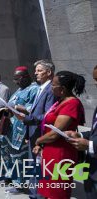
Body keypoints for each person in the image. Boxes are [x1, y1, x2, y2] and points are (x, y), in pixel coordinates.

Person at [33, 71, 86, 199]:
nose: (51, 87)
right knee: (48, 192)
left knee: (57, 193)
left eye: (53, 85)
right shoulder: (60, 101)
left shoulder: (72, 104)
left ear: (62, 89)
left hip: (61, 155)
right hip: (51, 152)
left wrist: (38, 141)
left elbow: (55, 134)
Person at [15, 60, 56, 198]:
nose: (36, 73)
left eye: (39, 70)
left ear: (49, 72)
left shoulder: (51, 89)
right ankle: (34, 194)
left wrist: (25, 118)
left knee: (39, 168)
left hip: (41, 136)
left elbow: (47, 116)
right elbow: (34, 111)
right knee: (33, 167)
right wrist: (27, 133)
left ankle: (38, 195)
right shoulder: (40, 88)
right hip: (32, 134)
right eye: (36, 70)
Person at [0, 66, 38, 194]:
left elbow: (31, 109)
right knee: (12, 156)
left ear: (25, 76)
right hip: (12, 129)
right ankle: (12, 178)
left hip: (22, 130)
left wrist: (15, 106)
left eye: (17, 78)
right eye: (14, 78)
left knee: (19, 158)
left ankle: (19, 184)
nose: (15, 81)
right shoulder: (19, 89)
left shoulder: (34, 89)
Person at [66, 66, 97, 199]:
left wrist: (89, 145)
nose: (95, 83)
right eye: (95, 79)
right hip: (92, 168)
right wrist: (81, 135)